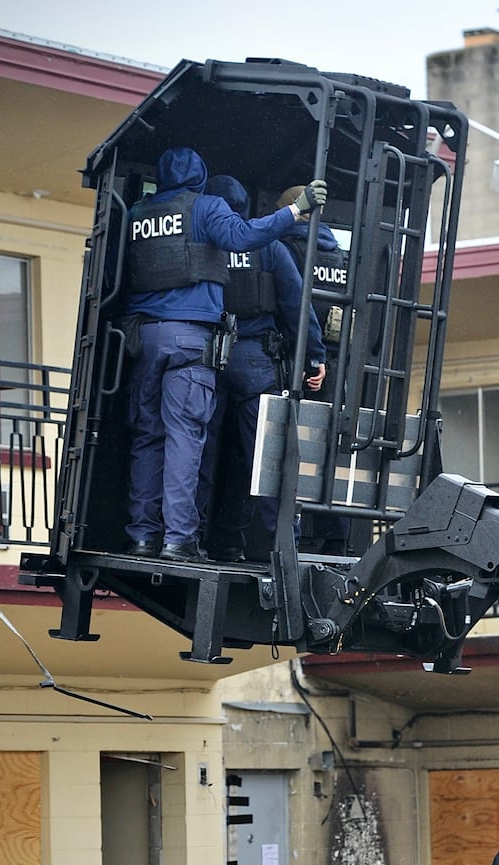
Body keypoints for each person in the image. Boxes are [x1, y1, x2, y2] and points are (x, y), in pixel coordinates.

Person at [121, 146, 325, 561]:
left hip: (144, 338)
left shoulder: (137, 215)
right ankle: (189, 540)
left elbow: (114, 274)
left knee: (150, 437)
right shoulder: (213, 215)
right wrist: (296, 210)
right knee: (238, 449)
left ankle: (144, 536)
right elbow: (293, 302)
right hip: (207, 348)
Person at [196, 175, 326, 564]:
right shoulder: (268, 248)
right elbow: (296, 305)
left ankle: (192, 540)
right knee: (267, 460)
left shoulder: (202, 242)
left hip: (207, 357)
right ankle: (281, 547)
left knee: (200, 455)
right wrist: (314, 356)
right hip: (256, 361)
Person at [276, 184, 351, 556]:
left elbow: (293, 307)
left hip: (296, 361)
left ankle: (290, 537)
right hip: (334, 366)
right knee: (329, 451)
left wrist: (308, 358)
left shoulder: (285, 248)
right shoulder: (338, 254)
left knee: (289, 451)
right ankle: (335, 536)